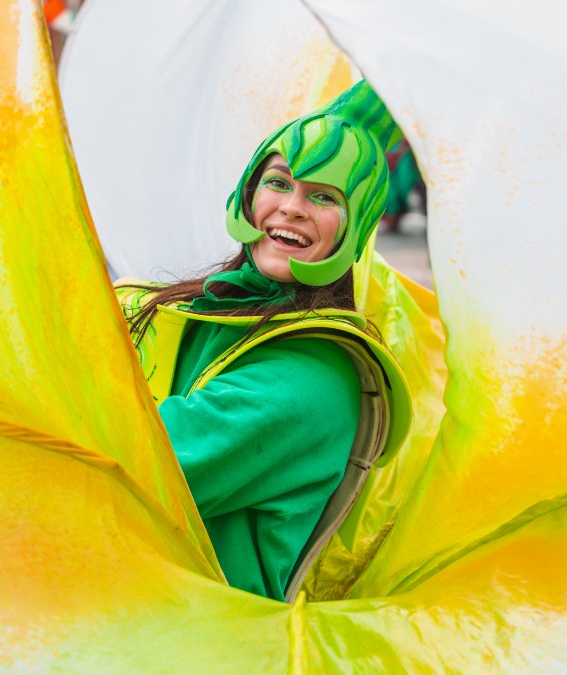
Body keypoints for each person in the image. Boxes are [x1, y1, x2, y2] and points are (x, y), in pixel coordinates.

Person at [117, 81, 411, 602]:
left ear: (357, 228)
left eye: (324, 196)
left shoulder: (313, 376)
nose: (293, 207)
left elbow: (135, 464)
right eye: (280, 182)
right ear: (248, 194)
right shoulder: (193, 305)